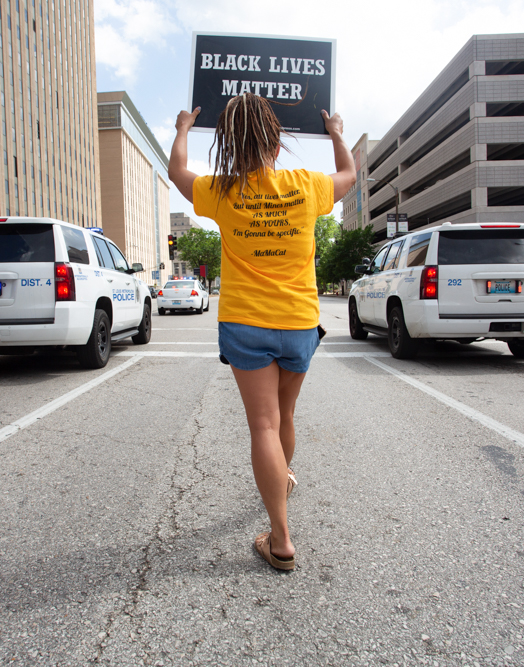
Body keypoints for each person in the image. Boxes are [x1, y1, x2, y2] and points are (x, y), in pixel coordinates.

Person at [168, 94, 355, 570]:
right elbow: (350, 178)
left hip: (245, 323)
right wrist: (335, 133)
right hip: (298, 322)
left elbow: (177, 175)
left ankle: (281, 538)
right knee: (284, 418)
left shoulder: (222, 189)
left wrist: (184, 129)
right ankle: (282, 481)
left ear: (231, 144)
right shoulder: (305, 185)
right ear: (276, 142)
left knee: (263, 425)